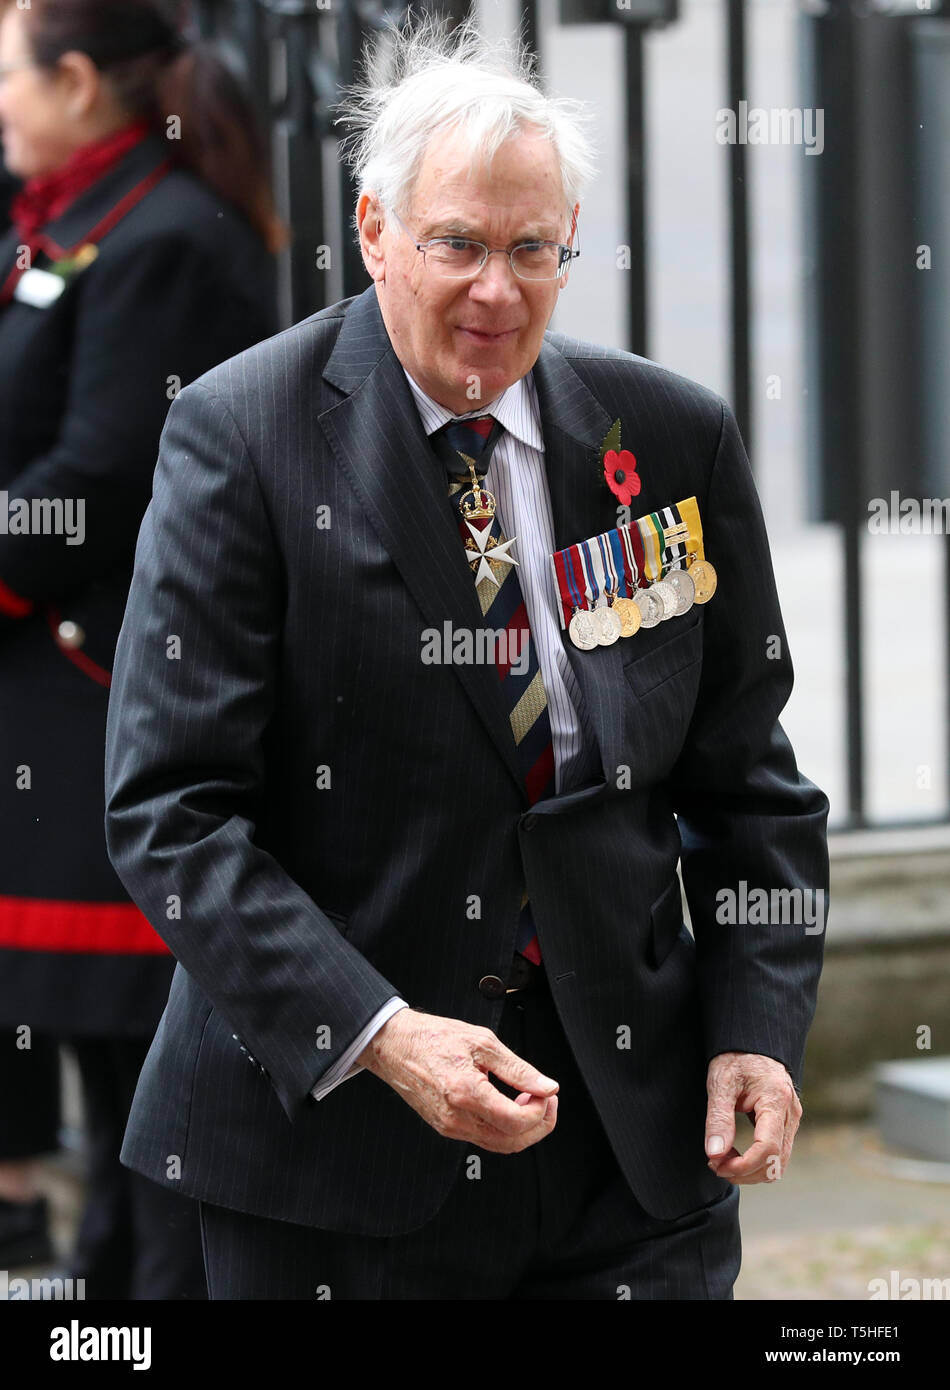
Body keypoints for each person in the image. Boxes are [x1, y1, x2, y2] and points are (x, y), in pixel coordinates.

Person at [104, 16, 829, 1300]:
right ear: (376, 232)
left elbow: (748, 783)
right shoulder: (244, 436)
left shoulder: (666, 436)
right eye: (456, 245)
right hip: (338, 1162)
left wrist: (752, 1031)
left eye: (531, 250)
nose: (496, 290)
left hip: (631, 1150)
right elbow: (172, 813)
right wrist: (380, 1035)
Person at [0, 0, 280, 1297]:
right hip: (42, 707)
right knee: (101, 1105)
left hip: (108, 697)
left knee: (142, 1095)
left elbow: (96, 478)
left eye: (6, 67)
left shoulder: (160, 236)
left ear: (71, 78)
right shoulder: (58, 219)